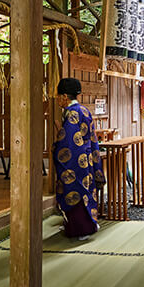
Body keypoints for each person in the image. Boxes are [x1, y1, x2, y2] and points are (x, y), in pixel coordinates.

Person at [51, 77, 106, 239]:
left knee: (74, 190)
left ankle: (84, 228)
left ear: (64, 97)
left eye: (58, 96)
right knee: (86, 191)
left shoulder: (72, 114)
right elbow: (92, 138)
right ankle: (81, 224)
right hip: (86, 158)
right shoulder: (84, 110)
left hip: (75, 159)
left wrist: (56, 146)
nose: (57, 100)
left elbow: (68, 141)